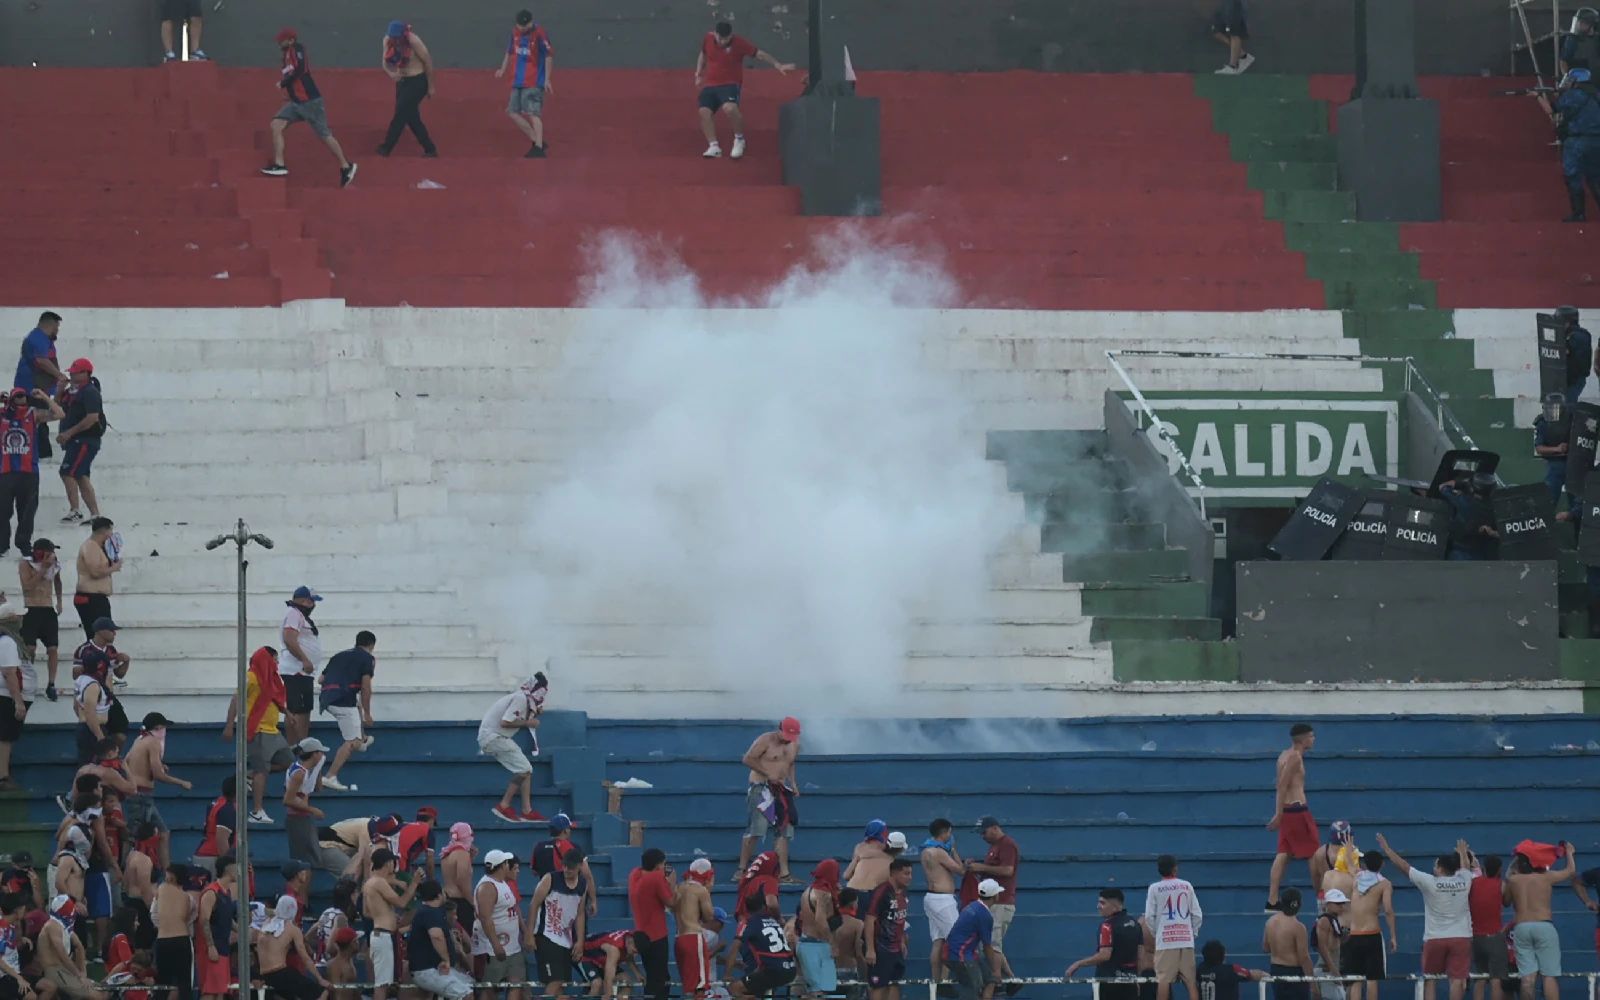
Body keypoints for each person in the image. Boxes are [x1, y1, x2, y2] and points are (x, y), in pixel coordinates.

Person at [1374, 834, 1475, 1000]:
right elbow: (1465, 867)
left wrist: (1387, 850)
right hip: (1461, 937)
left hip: (1435, 938)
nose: (1433, 868)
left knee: (1430, 979)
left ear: (1441, 869)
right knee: (1457, 981)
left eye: (1435, 865)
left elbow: (1404, 867)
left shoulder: (1430, 882)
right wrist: (1463, 853)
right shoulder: (1465, 880)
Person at [262, 29, 357, 188]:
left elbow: (300, 70)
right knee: (276, 124)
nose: (279, 43)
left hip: (310, 102)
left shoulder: (298, 50)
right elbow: (292, 77)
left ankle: (346, 166)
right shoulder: (285, 57)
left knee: (325, 135)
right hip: (297, 103)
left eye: (282, 40)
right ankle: (280, 165)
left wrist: (283, 84)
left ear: (291, 40)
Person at [694, 21, 793, 159]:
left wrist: (778, 65)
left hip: (730, 84)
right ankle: (714, 146)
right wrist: (699, 73)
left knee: (730, 108)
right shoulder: (708, 38)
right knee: (703, 111)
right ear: (715, 34)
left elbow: (760, 54)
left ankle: (739, 139)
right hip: (711, 84)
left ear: (731, 35)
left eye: (726, 38)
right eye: (720, 38)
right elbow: (703, 54)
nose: (723, 41)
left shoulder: (739, 43)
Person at [222, 646, 290, 824]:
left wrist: (288, 713)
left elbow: (276, 699)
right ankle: (257, 811)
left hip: (273, 730)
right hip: (257, 729)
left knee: (287, 762)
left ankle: (246, 774)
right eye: (274, 659)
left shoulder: (272, 679)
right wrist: (230, 725)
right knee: (262, 771)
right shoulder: (251, 677)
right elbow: (236, 699)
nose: (277, 663)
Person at [1503, 841, 1575, 1000]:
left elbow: (1506, 901)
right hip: (1544, 925)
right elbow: (1570, 871)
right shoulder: (1546, 877)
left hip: (1521, 928)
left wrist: (1516, 859)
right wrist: (1569, 852)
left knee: (1527, 978)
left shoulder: (1514, 880)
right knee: (1549, 975)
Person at [0, 390, 62, 558]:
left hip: (29, 471)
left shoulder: (33, 414)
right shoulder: (2, 414)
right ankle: (2, 545)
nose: (22, 399)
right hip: (6, 471)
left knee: (27, 511)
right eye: (18, 397)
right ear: (11, 399)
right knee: (3, 510)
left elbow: (59, 414)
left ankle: (23, 543)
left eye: (24, 396)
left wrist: (43, 397)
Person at [123, 713, 189, 871]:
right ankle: (124, 873)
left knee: (163, 833)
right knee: (133, 837)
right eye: (163, 727)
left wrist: (156, 766)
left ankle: (167, 873)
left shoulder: (139, 740)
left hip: (138, 794)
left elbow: (125, 761)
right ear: (158, 728)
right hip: (141, 795)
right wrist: (181, 782)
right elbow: (159, 776)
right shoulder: (152, 742)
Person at [738, 717, 801, 878]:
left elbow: (791, 763)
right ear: (780, 730)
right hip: (761, 787)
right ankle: (742, 869)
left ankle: (784, 873)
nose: (788, 740)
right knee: (756, 829)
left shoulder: (794, 745)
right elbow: (747, 759)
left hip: (781, 789)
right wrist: (767, 773)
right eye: (786, 735)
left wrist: (793, 783)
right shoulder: (765, 740)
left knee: (785, 830)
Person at [477, 676, 546, 823]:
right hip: (494, 737)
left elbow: (516, 716)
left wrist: (533, 715)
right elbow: (505, 722)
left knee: (526, 769)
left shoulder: (521, 698)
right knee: (524, 769)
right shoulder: (521, 699)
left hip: (494, 737)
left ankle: (527, 811)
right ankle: (504, 805)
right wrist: (529, 722)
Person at [319, 631, 378, 792]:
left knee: (356, 707)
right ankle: (330, 776)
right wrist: (368, 713)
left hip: (327, 698)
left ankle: (363, 738)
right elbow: (366, 687)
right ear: (371, 645)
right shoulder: (367, 659)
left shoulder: (338, 656)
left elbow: (321, 679)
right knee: (351, 742)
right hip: (343, 700)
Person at [1267, 723, 1318, 911]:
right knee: (1313, 852)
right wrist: (1278, 813)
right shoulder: (1295, 757)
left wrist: (1281, 812)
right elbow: (1282, 785)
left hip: (1289, 811)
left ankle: (1272, 900)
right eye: (1311, 736)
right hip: (1297, 811)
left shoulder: (1283, 755)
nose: (1313, 739)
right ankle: (1321, 896)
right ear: (1303, 739)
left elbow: (1279, 785)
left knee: (1283, 854)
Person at [1541, 68, 1600, 222]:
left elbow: (1553, 110)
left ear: (1574, 81)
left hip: (1577, 141)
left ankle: (1579, 213)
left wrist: (1539, 97)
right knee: (1595, 177)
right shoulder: (1595, 94)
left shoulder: (1573, 95)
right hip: (1596, 141)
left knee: (1573, 176)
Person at [528, 847, 588, 998]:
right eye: (565, 865)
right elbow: (534, 905)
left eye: (571, 867)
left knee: (561, 985)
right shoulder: (550, 879)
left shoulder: (582, 884)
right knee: (554, 983)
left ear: (580, 866)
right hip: (546, 936)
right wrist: (529, 934)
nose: (567, 869)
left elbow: (580, 914)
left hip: (565, 939)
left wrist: (580, 941)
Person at [966, 817, 1020, 980]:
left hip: (1001, 901)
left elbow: (1008, 870)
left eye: (984, 831)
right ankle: (1010, 979)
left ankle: (998, 980)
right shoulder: (994, 847)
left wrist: (980, 867)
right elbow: (993, 871)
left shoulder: (1007, 845)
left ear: (995, 828)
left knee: (992, 944)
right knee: (987, 944)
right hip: (991, 902)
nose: (982, 836)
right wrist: (976, 868)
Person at [495, 11, 554, 158]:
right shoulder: (514, 33)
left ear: (531, 22)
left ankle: (538, 148)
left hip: (534, 81)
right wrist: (502, 69)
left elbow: (548, 55)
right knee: (512, 112)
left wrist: (547, 79)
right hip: (517, 80)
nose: (522, 28)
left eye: (525, 25)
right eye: (520, 26)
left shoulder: (539, 33)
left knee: (533, 113)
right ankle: (536, 139)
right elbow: (509, 52)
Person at [364, 848, 421, 1000]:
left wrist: (387, 914)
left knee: (384, 983)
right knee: (382, 985)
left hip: (380, 934)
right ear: (388, 863)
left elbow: (366, 912)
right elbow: (402, 903)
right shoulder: (379, 882)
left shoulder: (369, 882)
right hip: (383, 936)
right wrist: (414, 883)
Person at [1144, 855, 1202, 1000]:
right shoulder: (1186, 885)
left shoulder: (1154, 888)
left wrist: (1158, 934)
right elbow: (1197, 914)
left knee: (1163, 980)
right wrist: (1192, 933)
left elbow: (1149, 917)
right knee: (1190, 982)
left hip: (1166, 940)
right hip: (1185, 939)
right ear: (1175, 868)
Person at [378, 21, 438, 158]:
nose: (395, 40)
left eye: (397, 37)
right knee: (411, 117)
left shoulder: (414, 41)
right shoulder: (387, 40)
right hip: (402, 81)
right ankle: (430, 148)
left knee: (400, 114)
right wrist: (391, 74)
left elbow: (427, 61)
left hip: (417, 81)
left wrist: (431, 86)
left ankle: (386, 148)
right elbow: (384, 62)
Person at [1066, 889, 1141, 996]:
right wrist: (1137, 979)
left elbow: (1104, 956)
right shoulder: (1135, 924)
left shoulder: (1107, 926)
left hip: (1108, 983)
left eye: (1102, 903)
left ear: (1114, 905)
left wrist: (1078, 964)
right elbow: (1140, 956)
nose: (1098, 906)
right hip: (1131, 983)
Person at [472, 849, 525, 1000]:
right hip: (493, 950)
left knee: (517, 985)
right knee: (490, 990)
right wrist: (496, 945)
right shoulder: (487, 887)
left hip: (512, 947)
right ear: (502, 866)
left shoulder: (502, 883)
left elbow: (514, 910)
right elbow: (485, 918)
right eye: (506, 862)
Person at [13, 313, 63, 470]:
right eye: (56, 327)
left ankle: (34, 456)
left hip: (41, 392)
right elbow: (41, 360)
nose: (57, 331)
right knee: (34, 425)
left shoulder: (44, 340)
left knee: (39, 426)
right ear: (49, 325)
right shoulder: (37, 338)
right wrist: (59, 375)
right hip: (32, 391)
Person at [55, 360, 102, 524]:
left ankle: (75, 510)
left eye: (76, 372)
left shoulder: (90, 392)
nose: (72, 374)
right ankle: (95, 514)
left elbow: (92, 418)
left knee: (67, 472)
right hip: (77, 440)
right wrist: (59, 390)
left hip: (84, 440)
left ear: (85, 373)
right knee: (81, 474)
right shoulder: (72, 392)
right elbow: (57, 407)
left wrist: (69, 433)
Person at [1344, 852, 1395, 1000]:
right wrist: (1393, 936)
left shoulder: (1356, 877)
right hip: (1372, 934)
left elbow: (1350, 866)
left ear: (1364, 864)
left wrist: (1347, 849)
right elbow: (1388, 910)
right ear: (1382, 865)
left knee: (1355, 980)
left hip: (1354, 935)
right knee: (1372, 979)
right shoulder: (1385, 884)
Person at [412, 879, 473, 1000]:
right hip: (428, 970)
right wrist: (446, 960)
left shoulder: (428, 912)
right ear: (440, 895)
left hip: (432, 969)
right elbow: (436, 936)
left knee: (469, 983)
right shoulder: (431, 913)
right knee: (467, 994)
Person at [257, 895, 327, 1000]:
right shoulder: (292, 929)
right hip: (280, 974)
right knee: (322, 993)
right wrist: (320, 978)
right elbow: (305, 958)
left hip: (265, 975)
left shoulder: (266, 924)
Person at [920, 818, 964, 984]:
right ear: (945, 832)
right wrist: (954, 850)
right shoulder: (940, 852)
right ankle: (945, 981)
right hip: (943, 900)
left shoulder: (925, 851)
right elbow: (960, 870)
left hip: (931, 898)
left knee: (938, 941)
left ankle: (936, 981)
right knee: (955, 938)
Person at [278, 586, 322, 746]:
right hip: (297, 671)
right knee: (299, 710)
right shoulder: (294, 614)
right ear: (305, 600)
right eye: (311, 601)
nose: (313, 605)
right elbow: (289, 638)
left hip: (302, 672)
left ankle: (298, 745)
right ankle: (300, 747)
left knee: (300, 709)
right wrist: (304, 659)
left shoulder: (299, 615)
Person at [38, 896, 107, 1000]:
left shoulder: (64, 926)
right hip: (54, 970)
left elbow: (79, 946)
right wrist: (79, 975)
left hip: (65, 970)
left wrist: (83, 973)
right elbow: (61, 953)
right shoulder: (52, 925)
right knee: (97, 996)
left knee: (103, 990)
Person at [628, 848, 675, 1000]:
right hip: (656, 936)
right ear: (657, 866)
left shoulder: (634, 874)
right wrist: (671, 883)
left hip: (641, 934)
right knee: (659, 980)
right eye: (663, 864)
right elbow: (671, 902)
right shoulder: (656, 878)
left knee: (653, 975)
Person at [863, 858, 912, 1000]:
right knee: (879, 987)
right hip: (881, 949)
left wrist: (902, 940)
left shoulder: (904, 892)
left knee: (894, 985)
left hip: (896, 949)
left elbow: (899, 919)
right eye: (906, 873)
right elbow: (869, 920)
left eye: (910, 873)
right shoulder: (881, 892)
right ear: (894, 874)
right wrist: (870, 949)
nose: (910, 877)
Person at [19, 539, 62, 703]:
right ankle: (28, 680)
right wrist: (43, 568)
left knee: (53, 648)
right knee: (30, 648)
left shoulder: (54, 564)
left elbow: (58, 581)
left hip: (48, 609)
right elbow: (28, 586)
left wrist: (59, 600)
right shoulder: (26, 564)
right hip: (32, 608)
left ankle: (51, 683)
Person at [731, 891, 796, 999]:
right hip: (789, 969)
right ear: (764, 907)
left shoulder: (749, 923)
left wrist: (727, 974)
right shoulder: (774, 922)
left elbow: (734, 948)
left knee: (734, 988)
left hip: (771, 970)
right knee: (759, 988)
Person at [945, 880, 1001, 1000]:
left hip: (957, 953)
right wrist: (996, 969)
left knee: (990, 979)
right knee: (972, 992)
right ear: (995, 896)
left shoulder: (972, 906)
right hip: (962, 956)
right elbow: (987, 947)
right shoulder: (985, 915)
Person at [284, 737, 333, 870]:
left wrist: (318, 769)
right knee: (305, 862)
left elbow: (318, 788)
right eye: (320, 752)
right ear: (314, 753)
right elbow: (288, 800)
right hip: (298, 818)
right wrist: (313, 810)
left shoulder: (303, 769)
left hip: (302, 817)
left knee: (309, 861)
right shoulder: (299, 773)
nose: (323, 755)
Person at [531, 813, 595, 914]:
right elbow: (587, 875)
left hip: (546, 900)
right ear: (565, 830)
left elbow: (534, 872)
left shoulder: (539, 847)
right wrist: (593, 900)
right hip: (569, 899)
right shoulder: (573, 847)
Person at [793, 858, 838, 996]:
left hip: (806, 943)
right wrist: (832, 942)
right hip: (816, 946)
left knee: (823, 989)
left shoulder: (808, 890)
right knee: (818, 991)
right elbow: (820, 920)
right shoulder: (823, 893)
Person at [0, 602, 33, 790]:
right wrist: (18, 701)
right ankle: (3, 777)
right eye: (18, 616)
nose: (22, 619)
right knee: (5, 737)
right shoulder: (7, 641)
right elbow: (9, 672)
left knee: (7, 736)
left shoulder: (11, 639)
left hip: (9, 695)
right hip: (8, 696)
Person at [674, 858, 718, 999]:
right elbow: (709, 916)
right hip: (694, 937)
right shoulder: (700, 890)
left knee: (689, 987)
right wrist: (708, 891)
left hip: (679, 939)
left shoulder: (678, 887)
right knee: (700, 986)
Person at [196, 857, 239, 1000]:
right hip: (211, 948)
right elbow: (204, 920)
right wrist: (210, 946)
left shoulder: (226, 892)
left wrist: (241, 930)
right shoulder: (211, 892)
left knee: (220, 991)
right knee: (210, 992)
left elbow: (226, 918)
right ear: (229, 869)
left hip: (223, 947)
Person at [72, 521, 119, 640]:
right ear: (105, 530)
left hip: (97, 597)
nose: (111, 534)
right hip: (90, 597)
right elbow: (95, 572)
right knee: (98, 635)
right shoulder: (90, 546)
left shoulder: (99, 547)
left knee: (105, 634)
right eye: (111, 531)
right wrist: (114, 568)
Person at [153, 863, 194, 1000]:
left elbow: (154, 914)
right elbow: (189, 918)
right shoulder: (188, 898)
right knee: (185, 984)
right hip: (181, 939)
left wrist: (163, 925)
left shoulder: (161, 890)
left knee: (162, 984)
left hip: (163, 939)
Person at [1469, 856, 1508, 1000]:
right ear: (1499, 870)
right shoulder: (1501, 885)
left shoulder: (1473, 884)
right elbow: (1507, 901)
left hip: (1476, 937)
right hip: (1495, 937)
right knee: (1496, 979)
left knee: (1480, 978)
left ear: (1484, 869)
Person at [1263, 889, 1312, 1000]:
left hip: (1276, 970)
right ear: (1299, 904)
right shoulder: (1298, 927)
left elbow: (1265, 948)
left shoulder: (1270, 922)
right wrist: (1313, 983)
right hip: (1294, 973)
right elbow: (1304, 958)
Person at [1441, 472, 1500, 560]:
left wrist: (1460, 484)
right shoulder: (1497, 506)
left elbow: (1443, 487)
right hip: (1485, 553)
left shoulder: (1463, 501)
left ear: (1473, 488)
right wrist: (1492, 533)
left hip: (1460, 551)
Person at [1534, 393, 1573, 509]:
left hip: (1573, 462)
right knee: (1549, 499)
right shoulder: (1542, 422)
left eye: (1554, 409)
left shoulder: (1573, 418)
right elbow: (1539, 448)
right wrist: (1557, 449)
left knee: (1577, 501)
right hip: (1555, 462)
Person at [191, 777, 236, 876]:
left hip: (205, 854)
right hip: (213, 857)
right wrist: (228, 865)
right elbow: (221, 840)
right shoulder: (227, 809)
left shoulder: (216, 803)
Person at [577, 929, 639, 998]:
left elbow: (628, 956)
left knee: (627, 982)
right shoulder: (614, 949)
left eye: (637, 953)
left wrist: (638, 974)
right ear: (630, 942)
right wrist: (608, 993)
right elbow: (608, 977)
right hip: (586, 956)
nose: (635, 955)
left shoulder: (631, 937)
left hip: (604, 960)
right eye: (634, 952)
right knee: (597, 984)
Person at [1196, 941, 1267, 1000]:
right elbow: (1253, 975)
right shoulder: (1232, 970)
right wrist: (1269, 976)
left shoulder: (1200, 970)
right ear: (1223, 955)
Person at [845, 821, 897, 895]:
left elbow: (847, 875)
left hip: (852, 891)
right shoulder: (889, 855)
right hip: (872, 894)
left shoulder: (859, 848)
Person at [1313, 890, 1348, 1000]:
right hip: (1326, 970)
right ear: (1328, 904)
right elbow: (1322, 946)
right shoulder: (1324, 920)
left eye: (1343, 903)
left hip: (1329, 969)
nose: (1341, 906)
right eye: (1338, 903)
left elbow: (1333, 944)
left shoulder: (1333, 921)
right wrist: (1333, 969)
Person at [1210, 0, 1254, 74]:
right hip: (1225, 3)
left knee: (1234, 32)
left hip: (1236, 3)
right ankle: (1243, 56)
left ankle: (1232, 67)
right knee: (1216, 30)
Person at [832, 888, 865, 980]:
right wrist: (865, 974)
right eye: (857, 902)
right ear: (852, 904)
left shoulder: (828, 922)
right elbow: (859, 953)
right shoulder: (858, 924)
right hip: (849, 970)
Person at [442, 822, 477, 905]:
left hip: (447, 897)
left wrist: (471, 857)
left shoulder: (447, 853)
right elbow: (461, 881)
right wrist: (472, 902)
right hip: (459, 900)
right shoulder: (462, 854)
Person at [1565, 7, 1600, 72]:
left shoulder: (1596, 40)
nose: (1578, 25)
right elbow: (1564, 60)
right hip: (1577, 78)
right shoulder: (1571, 39)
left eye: (1583, 23)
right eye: (1578, 22)